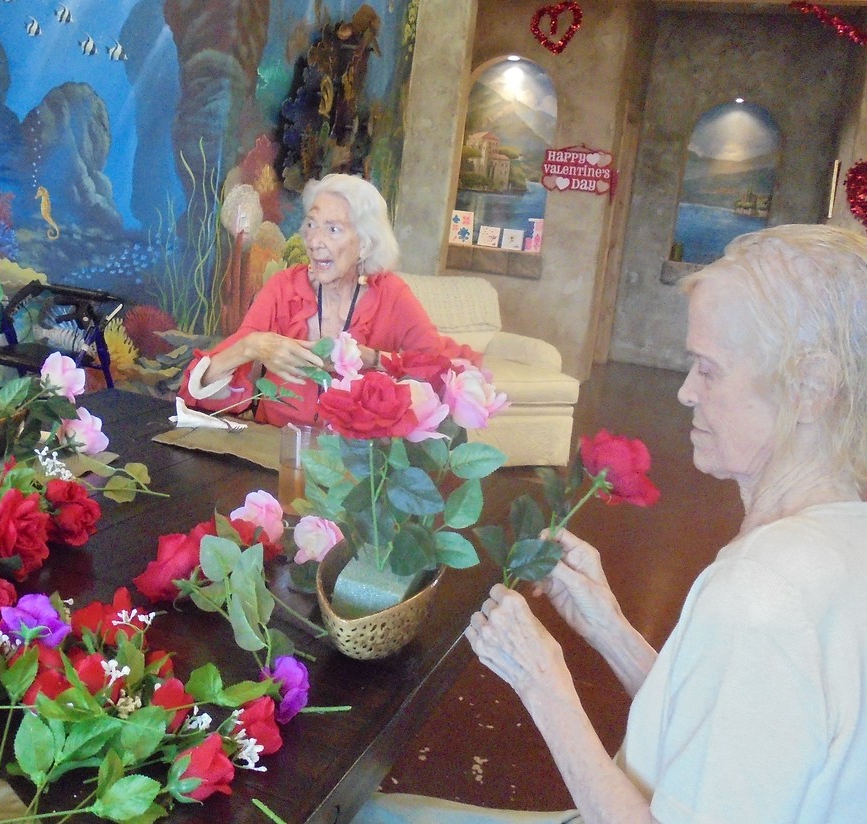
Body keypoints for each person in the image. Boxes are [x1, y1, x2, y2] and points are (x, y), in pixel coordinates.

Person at [355, 224, 867, 823]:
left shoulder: (761, 595)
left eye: (708, 370)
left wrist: (541, 682)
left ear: (812, 388)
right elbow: (726, 736)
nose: (685, 392)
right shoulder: (842, 537)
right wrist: (610, 629)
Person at [178, 173, 470, 427]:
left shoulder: (392, 296)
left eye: (333, 229)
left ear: (365, 244)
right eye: (311, 224)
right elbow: (195, 392)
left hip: (355, 459)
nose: (314, 241)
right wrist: (252, 346)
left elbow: (438, 372)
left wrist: (374, 359)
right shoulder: (283, 288)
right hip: (274, 450)